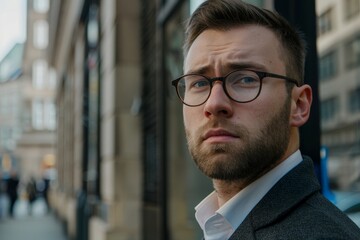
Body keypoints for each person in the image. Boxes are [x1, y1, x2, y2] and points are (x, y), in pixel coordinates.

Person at [171, 0, 360, 239]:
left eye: (246, 79)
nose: (214, 104)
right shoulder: (224, 223)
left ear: (299, 105)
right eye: (199, 82)